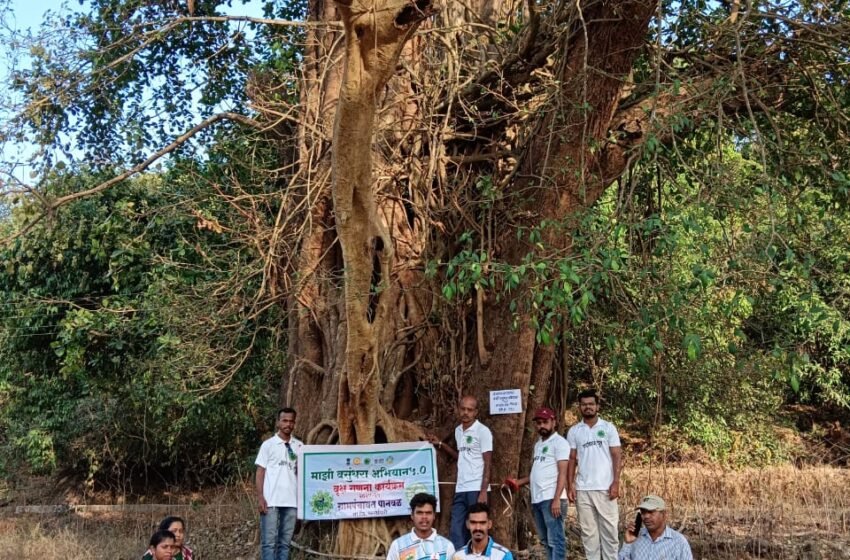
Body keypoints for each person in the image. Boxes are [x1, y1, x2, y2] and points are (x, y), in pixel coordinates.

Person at [502, 407, 569, 560]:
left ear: (554, 422)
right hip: (537, 498)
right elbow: (537, 473)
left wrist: (557, 498)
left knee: (556, 540)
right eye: (539, 423)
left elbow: (563, 473)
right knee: (545, 540)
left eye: (545, 422)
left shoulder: (560, 443)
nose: (541, 426)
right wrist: (518, 482)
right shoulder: (538, 444)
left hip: (552, 499)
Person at [427, 395, 493, 550]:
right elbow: (461, 456)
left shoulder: (483, 431)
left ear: (475, 412)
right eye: (463, 409)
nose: (465, 413)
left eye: (470, 410)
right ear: (458, 409)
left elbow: (488, 462)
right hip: (461, 488)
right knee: (456, 529)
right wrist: (441, 444)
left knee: (478, 529)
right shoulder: (458, 431)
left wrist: (483, 490)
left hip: (477, 488)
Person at [566, 390, 622, 560]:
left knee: (610, 534)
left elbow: (616, 455)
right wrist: (571, 485)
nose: (588, 407)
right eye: (584, 405)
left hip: (605, 488)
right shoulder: (575, 431)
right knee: (589, 536)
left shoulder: (608, 428)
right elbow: (572, 459)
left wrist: (616, 483)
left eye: (591, 404)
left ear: (597, 406)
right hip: (583, 489)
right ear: (580, 407)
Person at [256, 407, 303, 560]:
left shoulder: (299, 446)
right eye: (284, 420)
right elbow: (260, 471)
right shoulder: (268, 445)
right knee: (269, 542)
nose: (288, 424)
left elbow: (301, 474)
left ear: (294, 423)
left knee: (285, 543)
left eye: (291, 421)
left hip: (291, 502)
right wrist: (260, 497)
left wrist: (301, 502)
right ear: (278, 423)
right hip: (271, 501)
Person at [618, 495, 693, 560]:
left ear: (664, 515)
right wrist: (628, 543)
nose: (646, 516)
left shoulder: (678, 542)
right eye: (643, 512)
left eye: (651, 512)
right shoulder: (636, 537)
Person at [386, 493, 456, 560]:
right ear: (412, 515)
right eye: (419, 513)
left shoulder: (447, 546)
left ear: (434, 515)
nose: (424, 517)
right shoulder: (398, 545)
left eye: (428, 513)